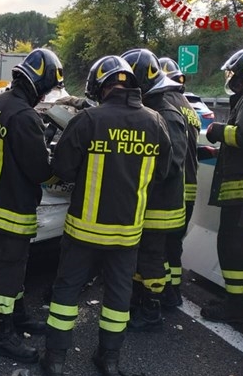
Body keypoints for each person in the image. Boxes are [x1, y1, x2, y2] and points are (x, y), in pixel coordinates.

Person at [41, 55, 171, 376]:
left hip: (83, 230)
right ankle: (109, 360)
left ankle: (55, 360)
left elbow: (62, 168)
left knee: (66, 293)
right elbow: (162, 173)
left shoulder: (88, 120)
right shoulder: (156, 122)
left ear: (101, 86)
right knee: (117, 297)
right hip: (127, 233)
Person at [0, 48, 64, 364]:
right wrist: (61, 161)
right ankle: (3, 335)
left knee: (14, 264)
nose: (46, 93)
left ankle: (17, 315)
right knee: (10, 266)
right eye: (47, 88)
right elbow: (40, 171)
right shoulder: (24, 116)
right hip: (8, 205)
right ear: (39, 83)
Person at [121, 48, 189, 332]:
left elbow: (170, 164)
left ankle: (151, 310)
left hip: (161, 205)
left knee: (151, 258)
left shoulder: (167, 116)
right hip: (149, 203)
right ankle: (140, 301)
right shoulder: (154, 111)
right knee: (142, 256)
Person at [199, 47, 243, 324]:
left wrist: (215, 131)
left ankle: (237, 307)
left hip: (240, 192)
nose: (231, 78)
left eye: (233, 73)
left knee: (234, 249)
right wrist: (219, 153)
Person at [158, 56, 200, 311]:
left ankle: (162, 293)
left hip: (171, 186)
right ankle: (173, 291)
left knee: (158, 245)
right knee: (173, 244)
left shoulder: (163, 105)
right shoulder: (188, 105)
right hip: (189, 186)